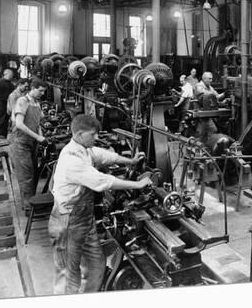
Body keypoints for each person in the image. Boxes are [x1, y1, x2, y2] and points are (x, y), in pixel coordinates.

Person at [49, 114, 152, 295]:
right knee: (68, 274)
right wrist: (137, 185)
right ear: (80, 134)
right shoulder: (71, 159)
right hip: (68, 222)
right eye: (92, 135)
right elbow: (102, 181)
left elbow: (103, 155)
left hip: (84, 221)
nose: (96, 138)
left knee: (97, 265)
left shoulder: (84, 149)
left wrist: (131, 161)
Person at [10, 78, 47, 212]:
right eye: (40, 90)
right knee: (26, 176)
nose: (42, 93)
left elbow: (38, 124)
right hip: (21, 143)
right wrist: (38, 137)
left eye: (44, 91)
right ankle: (28, 208)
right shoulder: (22, 101)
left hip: (32, 143)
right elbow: (19, 124)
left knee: (34, 173)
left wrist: (42, 137)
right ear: (33, 88)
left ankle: (32, 202)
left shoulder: (37, 103)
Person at [194, 71, 226, 145]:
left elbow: (217, 96)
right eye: (209, 79)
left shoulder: (210, 87)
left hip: (206, 114)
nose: (211, 80)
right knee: (211, 130)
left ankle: (204, 146)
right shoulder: (198, 86)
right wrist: (215, 96)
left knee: (204, 133)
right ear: (204, 79)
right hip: (200, 115)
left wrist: (225, 94)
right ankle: (205, 146)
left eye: (211, 79)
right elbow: (206, 94)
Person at [0, 68, 15, 139]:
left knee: (6, 118)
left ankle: (4, 133)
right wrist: (5, 99)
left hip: (7, 102)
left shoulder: (10, 83)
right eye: (11, 75)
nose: (12, 76)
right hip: (1, 102)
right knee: (1, 118)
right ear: (6, 74)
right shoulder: (0, 81)